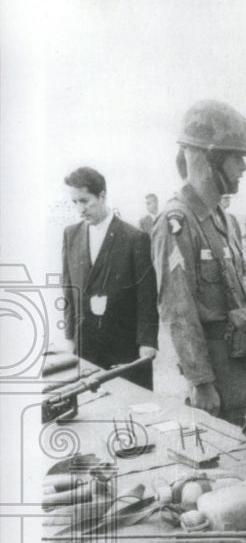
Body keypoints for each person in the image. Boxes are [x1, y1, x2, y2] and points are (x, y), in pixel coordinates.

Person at [152, 100, 246, 427]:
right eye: (237, 158)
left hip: (245, 375)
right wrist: (201, 381)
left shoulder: (225, 221)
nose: (243, 168)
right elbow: (177, 307)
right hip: (216, 387)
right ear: (209, 159)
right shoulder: (177, 222)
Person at [61, 166, 158, 390]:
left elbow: (147, 295)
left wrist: (147, 342)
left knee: (133, 410)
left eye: (84, 201)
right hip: (86, 347)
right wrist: (69, 338)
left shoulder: (135, 238)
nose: (79, 209)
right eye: (74, 202)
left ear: (102, 195)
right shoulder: (70, 234)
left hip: (125, 347)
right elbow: (68, 289)